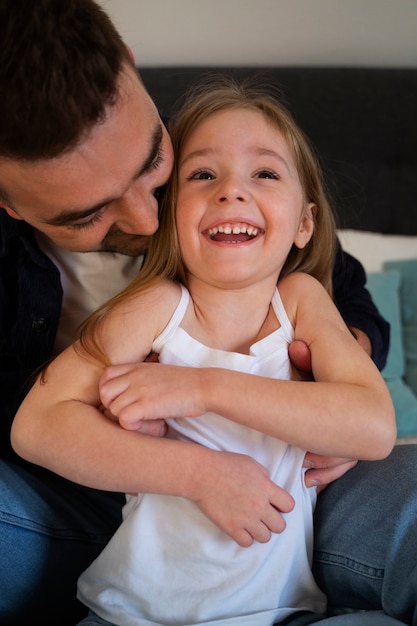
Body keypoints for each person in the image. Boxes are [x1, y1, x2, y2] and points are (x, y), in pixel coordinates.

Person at [0, 1, 415, 625]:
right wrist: (195, 471)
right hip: (106, 546)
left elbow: (366, 399)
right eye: (86, 215)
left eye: (153, 167)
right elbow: (38, 424)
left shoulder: (292, 280)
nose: (149, 220)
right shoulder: (157, 306)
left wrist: (314, 398)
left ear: (129, 71)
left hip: (285, 552)